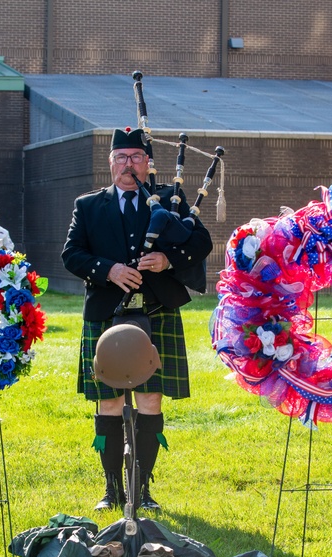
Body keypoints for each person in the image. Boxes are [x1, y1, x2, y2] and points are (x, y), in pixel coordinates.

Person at [62, 128, 213, 511]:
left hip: (156, 312)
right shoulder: (89, 206)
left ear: (148, 163)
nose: (128, 164)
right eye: (121, 158)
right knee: (108, 403)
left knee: (149, 400)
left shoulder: (169, 201)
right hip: (106, 315)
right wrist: (108, 270)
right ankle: (113, 490)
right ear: (110, 164)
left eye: (136, 157)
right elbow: (72, 255)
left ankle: (142, 490)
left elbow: (201, 243)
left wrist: (168, 260)